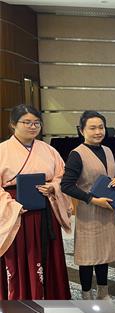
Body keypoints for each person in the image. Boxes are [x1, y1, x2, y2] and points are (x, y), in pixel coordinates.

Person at [0, 104, 72, 300]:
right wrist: (11, 206)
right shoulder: (2, 150)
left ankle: (52, 298)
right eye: (27, 122)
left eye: (36, 123)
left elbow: (62, 176)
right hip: (15, 213)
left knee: (47, 254)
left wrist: (53, 187)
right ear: (13, 124)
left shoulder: (48, 150)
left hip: (45, 210)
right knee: (20, 256)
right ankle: (21, 298)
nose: (33, 127)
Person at [61, 110, 115, 299]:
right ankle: (86, 294)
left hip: (108, 211)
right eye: (92, 128)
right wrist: (93, 200)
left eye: (101, 127)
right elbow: (66, 185)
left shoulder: (108, 150)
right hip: (89, 212)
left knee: (104, 253)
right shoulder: (77, 154)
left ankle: (103, 292)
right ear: (82, 130)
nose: (98, 132)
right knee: (87, 256)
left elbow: (110, 175)